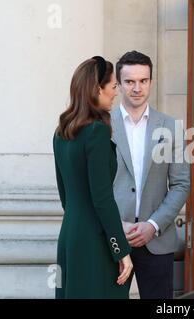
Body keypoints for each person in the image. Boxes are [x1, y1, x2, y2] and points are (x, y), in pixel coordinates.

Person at [111, 51, 190, 299]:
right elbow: (95, 186)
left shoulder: (170, 126)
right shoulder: (102, 124)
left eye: (143, 81)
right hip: (113, 236)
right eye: (129, 81)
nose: (137, 88)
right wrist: (115, 224)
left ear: (151, 82)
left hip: (156, 239)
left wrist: (153, 225)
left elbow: (181, 184)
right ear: (118, 83)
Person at [53, 56, 133, 299]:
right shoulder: (96, 132)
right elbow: (102, 199)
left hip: (70, 236)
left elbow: (65, 196)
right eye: (112, 86)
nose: (116, 92)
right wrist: (120, 250)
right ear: (97, 89)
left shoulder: (60, 132)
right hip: (94, 242)